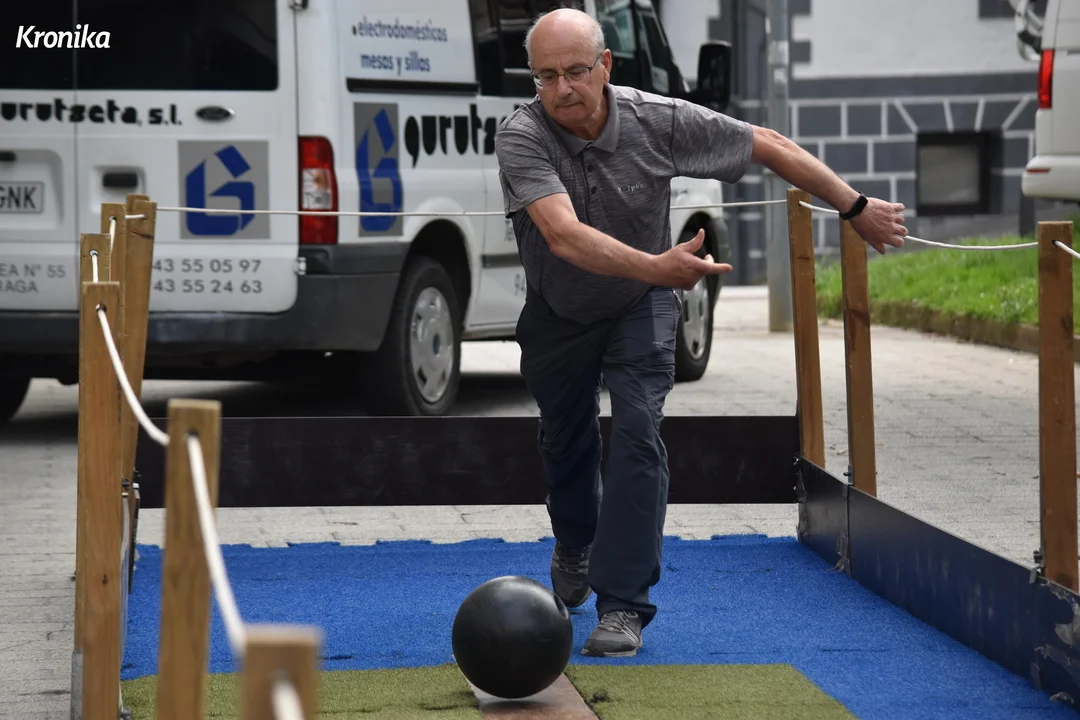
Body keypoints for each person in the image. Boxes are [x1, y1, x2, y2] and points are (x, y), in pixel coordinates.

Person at [494, 7, 906, 658]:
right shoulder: (522, 135)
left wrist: (854, 206)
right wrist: (658, 265)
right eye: (547, 76)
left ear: (605, 66)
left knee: (637, 433)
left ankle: (623, 604)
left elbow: (767, 143)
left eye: (576, 71)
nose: (563, 89)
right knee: (565, 441)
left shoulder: (657, 120)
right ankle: (574, 540)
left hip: (640, 305)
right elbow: (563, 236)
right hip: (560, 311)